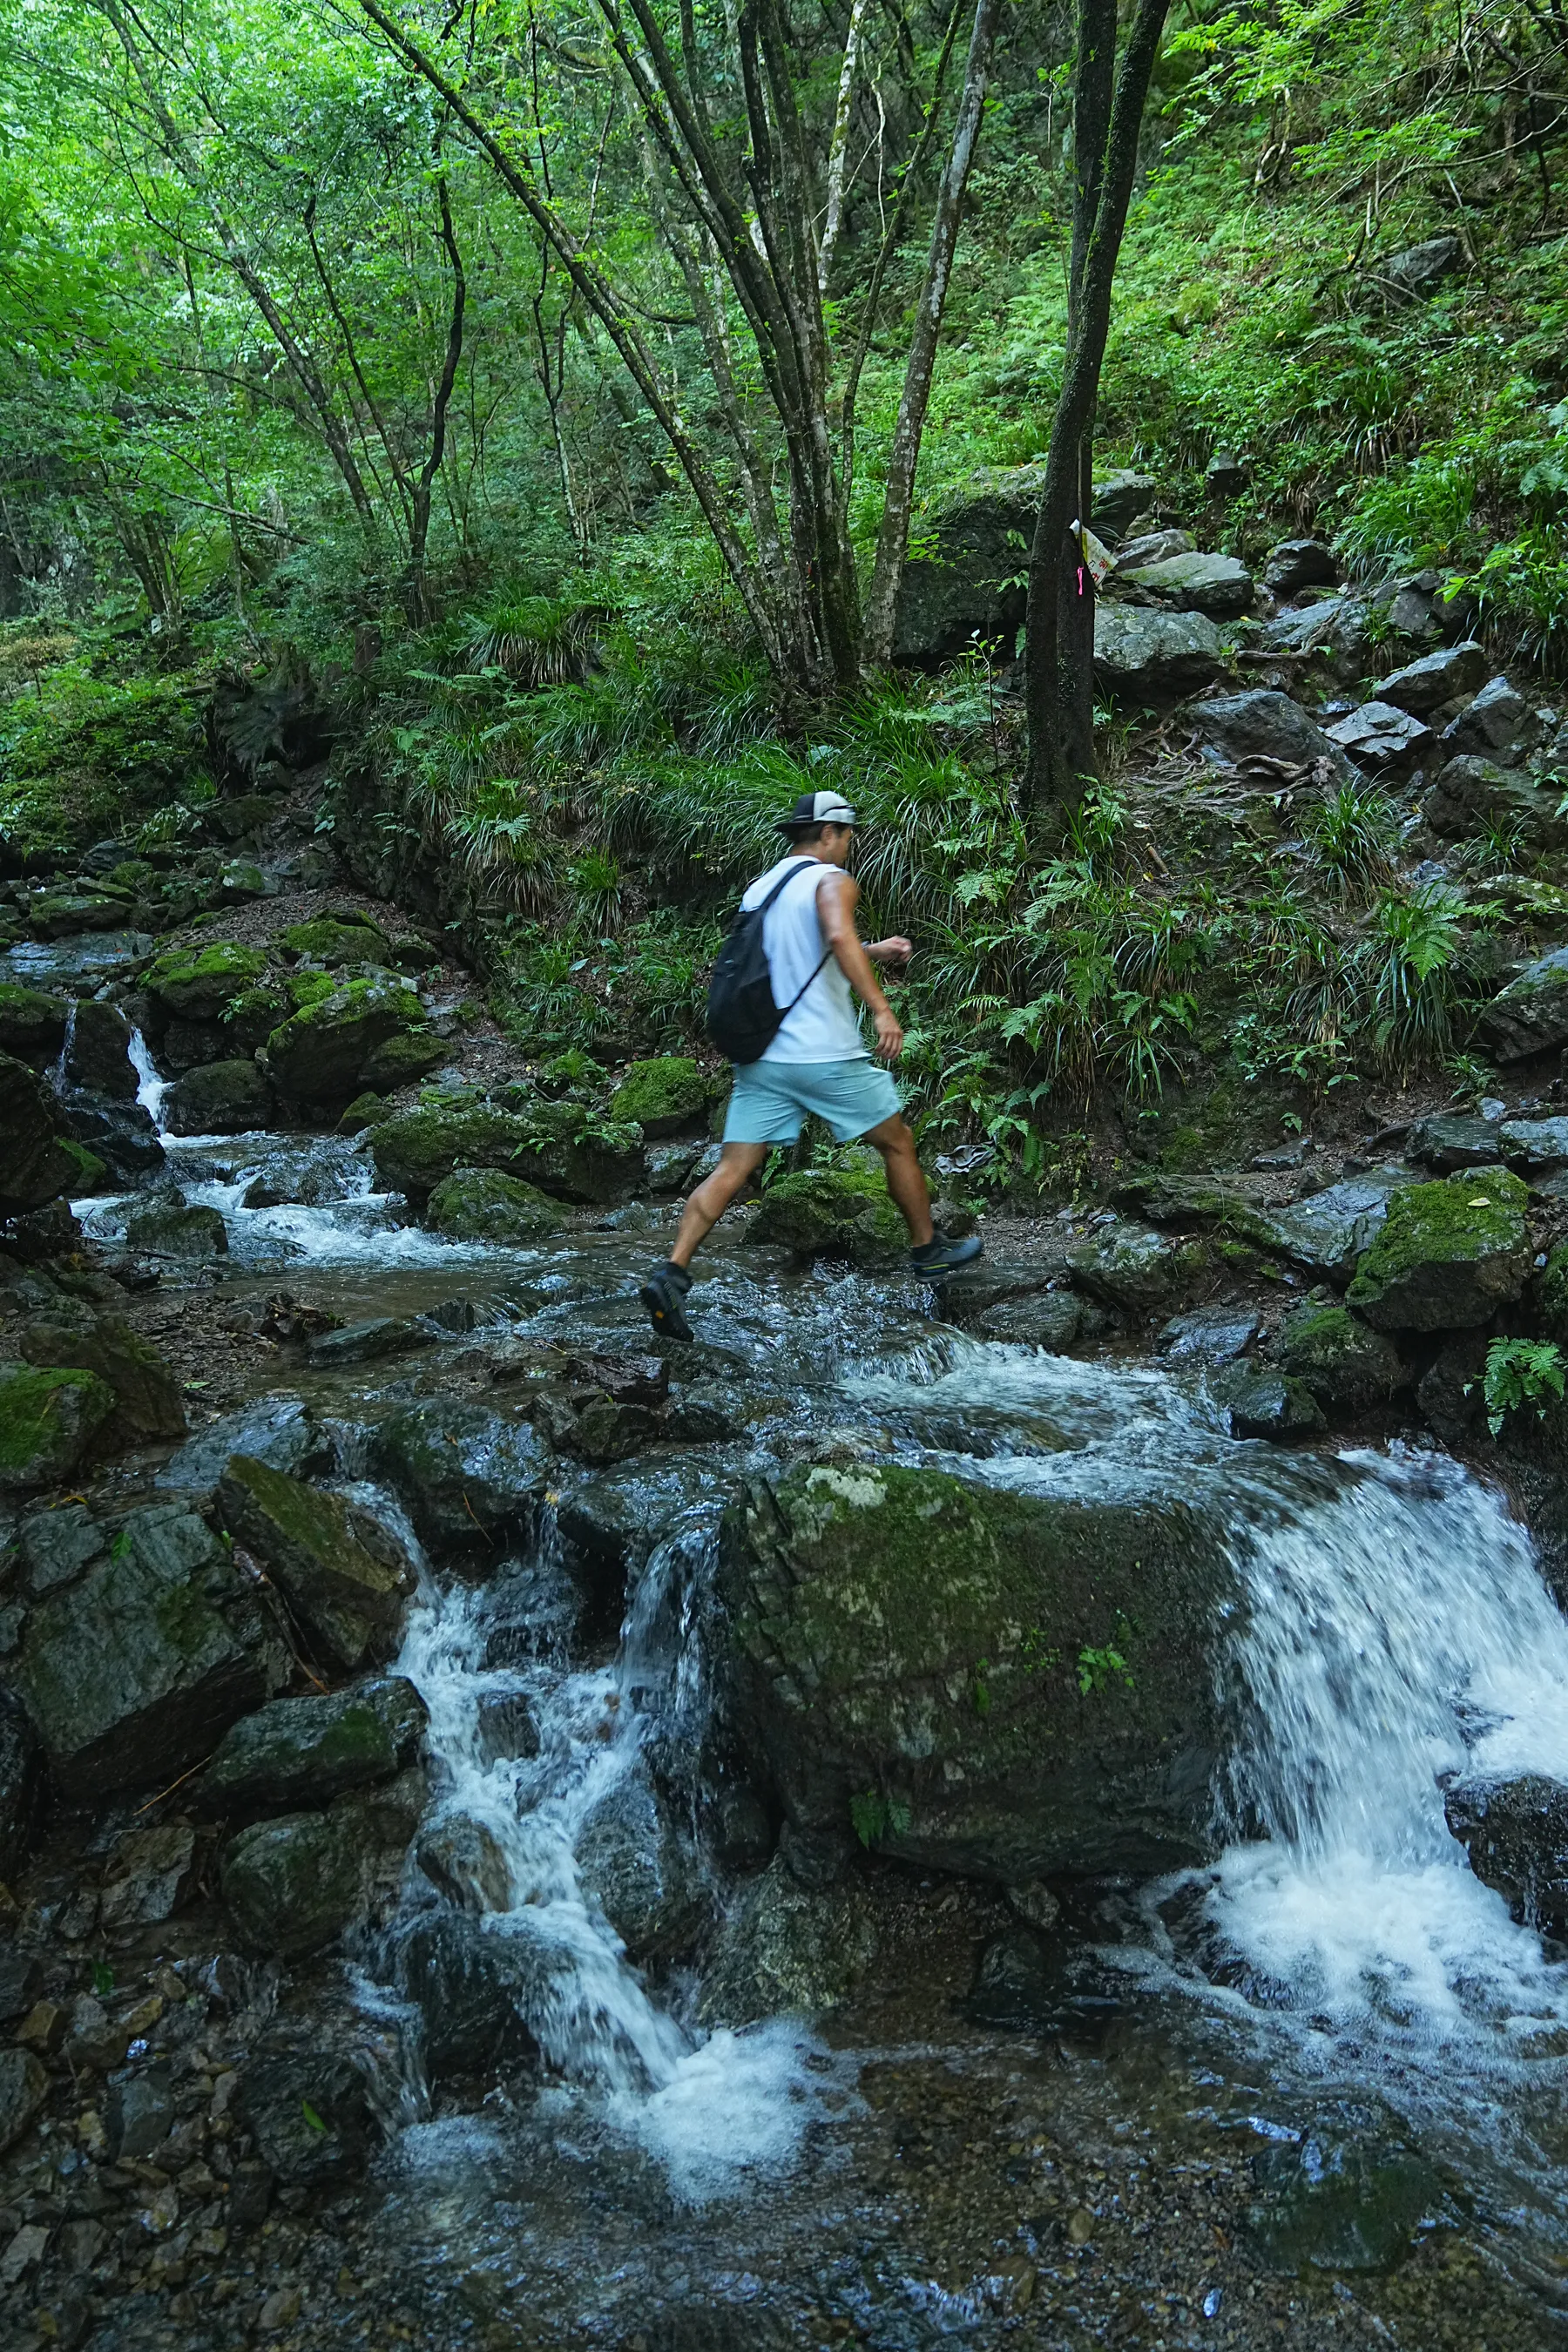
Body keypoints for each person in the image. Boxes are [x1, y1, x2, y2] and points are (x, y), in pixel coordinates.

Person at [640, 788, 983, 1342]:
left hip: (765, 1057)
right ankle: (928, 1250)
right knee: (897, 1141)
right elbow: (835, 934)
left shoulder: (765, 887)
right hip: (823, 1054)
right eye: (846, 836)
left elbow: (809, 948)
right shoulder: (832, 881)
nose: (848, 846)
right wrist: (881, 1008)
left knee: (732, 1168)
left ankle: (672, 1273)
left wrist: (875, 950)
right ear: (828, 833)